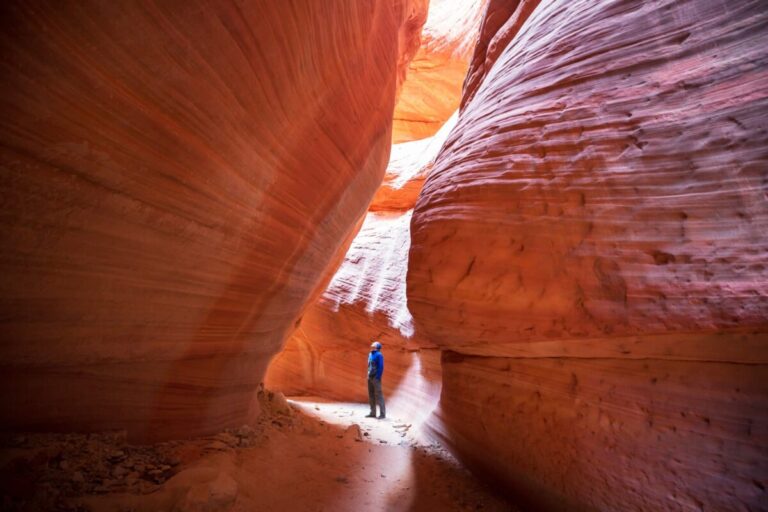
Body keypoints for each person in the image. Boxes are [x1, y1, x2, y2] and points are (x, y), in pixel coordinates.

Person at [366, 341, 385, 419]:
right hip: (370, 377)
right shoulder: (370, 354)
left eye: (374, 346)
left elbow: (381, 367)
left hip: (375, 378)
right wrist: (368, 375)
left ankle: (382, 414)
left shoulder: (379, 355)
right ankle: (372, 413)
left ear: (377, 347)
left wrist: (377, 377)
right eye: (372, 346)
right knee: (371, 395)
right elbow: (369, 365)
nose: (372, 347)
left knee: (379, 395)